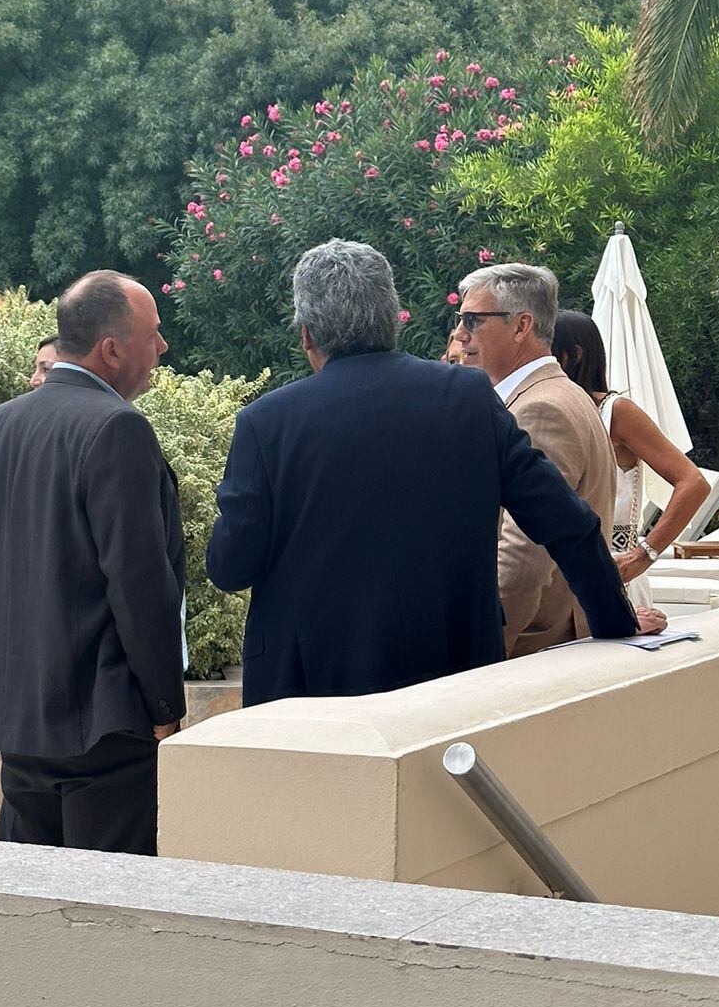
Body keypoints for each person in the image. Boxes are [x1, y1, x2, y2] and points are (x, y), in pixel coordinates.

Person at [207, 239, 643, 709]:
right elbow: (568, 523)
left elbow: (231, 567)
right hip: (455, 684)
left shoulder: (267, 423)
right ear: (392, 318)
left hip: (314, 696)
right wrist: (618, 627)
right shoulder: (469, 398)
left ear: (307, 334)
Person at [0, 270, 185, 854]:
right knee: (105, 919)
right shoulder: (119, 427)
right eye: (154, 334)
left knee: (30, 909)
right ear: (111, 350)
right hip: (102, 723)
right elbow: (139, 584)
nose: (162, 347)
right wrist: (164, 706)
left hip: (19, 718)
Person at [454, 263, 665, 656]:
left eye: (473, 320)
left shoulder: (539, 408)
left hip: (537, 646)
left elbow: (523, 556)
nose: (460, 334)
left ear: (521, 326)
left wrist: (479, 655)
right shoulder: (558, 394)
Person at [552, 309, 709, 612]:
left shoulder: (616, 413)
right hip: (552, 582)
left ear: (572, 355)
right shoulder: (542, 413)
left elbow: (693, 482)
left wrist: (645, 553)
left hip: (612, 573)